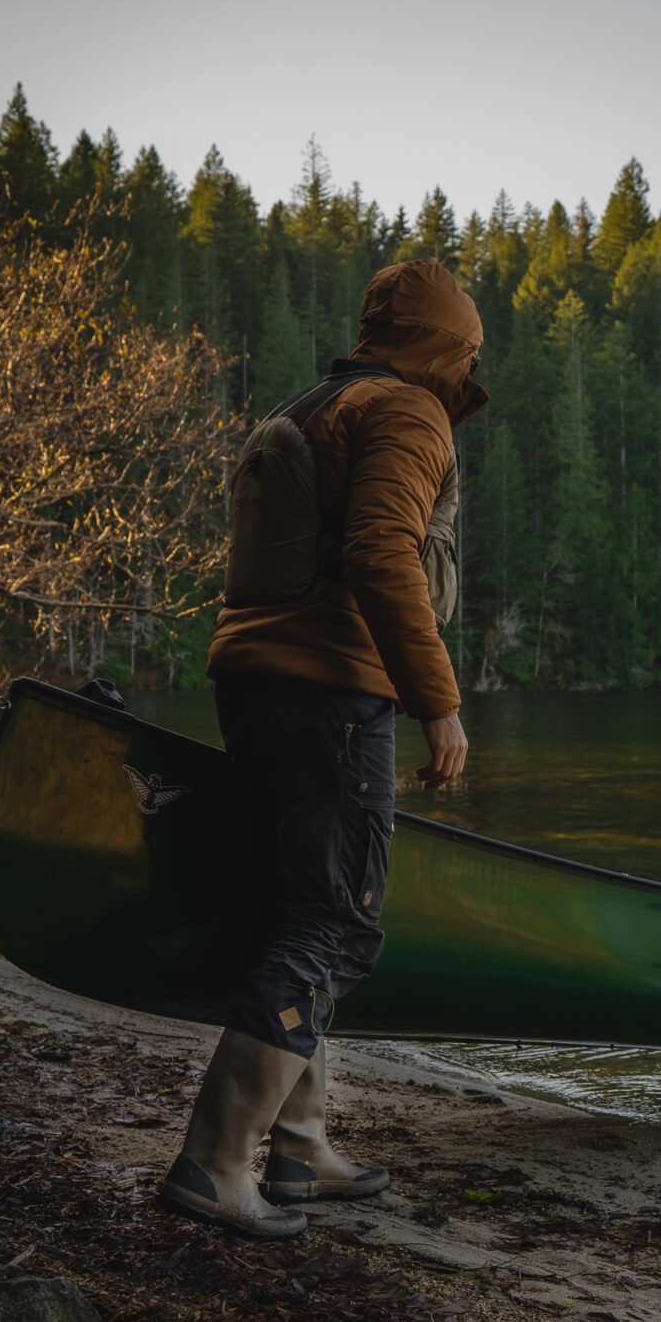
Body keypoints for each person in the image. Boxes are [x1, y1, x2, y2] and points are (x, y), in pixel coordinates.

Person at [158, 259, 487, 1238]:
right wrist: (441, 703)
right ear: (447, 349)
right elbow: (384, 555)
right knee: (337, 928)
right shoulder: (407, 413)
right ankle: (216, 1162)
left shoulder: (316, 404)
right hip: (333, 690)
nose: (470, 370)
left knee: (291, 915)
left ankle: (298, 1151)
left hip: (256, 682)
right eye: (468, 351)